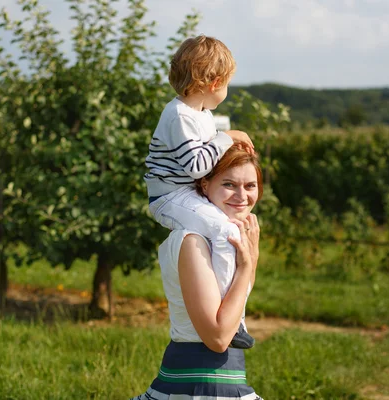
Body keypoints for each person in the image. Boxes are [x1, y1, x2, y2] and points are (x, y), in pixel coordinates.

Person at [144, 35, 256, 349]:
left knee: (228, 229)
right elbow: (196, 166)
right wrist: (227, 136)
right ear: (214, 82)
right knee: (224, 230)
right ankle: (227, 319)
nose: (226, 91)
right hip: (170, 197)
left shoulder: (201, 115)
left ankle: (234, 316)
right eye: (228, 84)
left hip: (185, 193)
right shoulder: (178, 115)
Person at [131, 146, 263, 400]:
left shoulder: (229, 241)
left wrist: (250, 260)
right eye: (229, 184)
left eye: (250, 185)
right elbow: (218, 337)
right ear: (204, 185)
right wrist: (248, 266)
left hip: (229, 381)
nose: (242, 195)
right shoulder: (191, 240)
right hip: (195, 387)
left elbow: (237, 310)